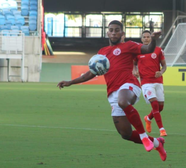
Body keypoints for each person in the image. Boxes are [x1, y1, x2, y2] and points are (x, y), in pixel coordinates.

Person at [57, 20, 167, 161]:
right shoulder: (102, 52)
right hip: (113, 93)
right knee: (125, 134)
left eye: (117, 30)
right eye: (111, 30)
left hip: (130, 86)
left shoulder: (129, 45)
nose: (114, 32)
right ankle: (158, 143)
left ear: (122, 33)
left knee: (123, 100)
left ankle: (144, 136)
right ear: (107, 32)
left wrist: (153, 40)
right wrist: (71, 82)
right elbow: (91, 72)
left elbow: (148, 50)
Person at [133, 30, 167, 137]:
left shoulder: (158, 50)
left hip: (158, 81)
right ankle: (162, 129)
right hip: (146, 82)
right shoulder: (138, 51)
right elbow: (133, 64)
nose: (146, 38)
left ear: (151, 38)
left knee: (160, 107)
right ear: (141, 39)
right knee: (155, 104)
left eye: (148, 36)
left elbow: (164, 66)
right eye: (144, 37)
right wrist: (134, 71)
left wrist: (160, 72)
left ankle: (148, 118)